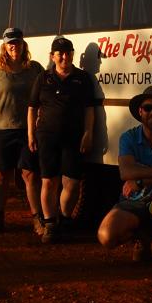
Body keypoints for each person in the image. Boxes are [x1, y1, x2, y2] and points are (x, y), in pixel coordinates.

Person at [97, 86, 152, 269]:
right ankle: (142, 235)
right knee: (106, 236)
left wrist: (140, 180)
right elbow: (126, 172)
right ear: (140, 112)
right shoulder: (128, 138)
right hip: (133, 201)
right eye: (148, 108)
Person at [28, 36, 96, 244]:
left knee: (72, 183)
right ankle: (50, 225)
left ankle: (64, 219)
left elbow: (89, 109)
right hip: (46, 136)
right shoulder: (43, 78)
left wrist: (88, 133)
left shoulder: (83, 78)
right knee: (49, 180)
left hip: (74, 137)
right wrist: (31, 134)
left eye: (68, 52)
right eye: (60, 53)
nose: (64, 56)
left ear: (73, 55)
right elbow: (32, 108)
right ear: (53, 56)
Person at [0, 27, 44, 234]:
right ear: (5, 47)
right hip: (0, 129)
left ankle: (37, 219)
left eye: (17, 42)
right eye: (10, 43)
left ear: (23, 44)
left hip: (28, 130)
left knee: (30, 175)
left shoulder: (35, 69)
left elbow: (44, 97)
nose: (14, 46)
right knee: (0, 175)